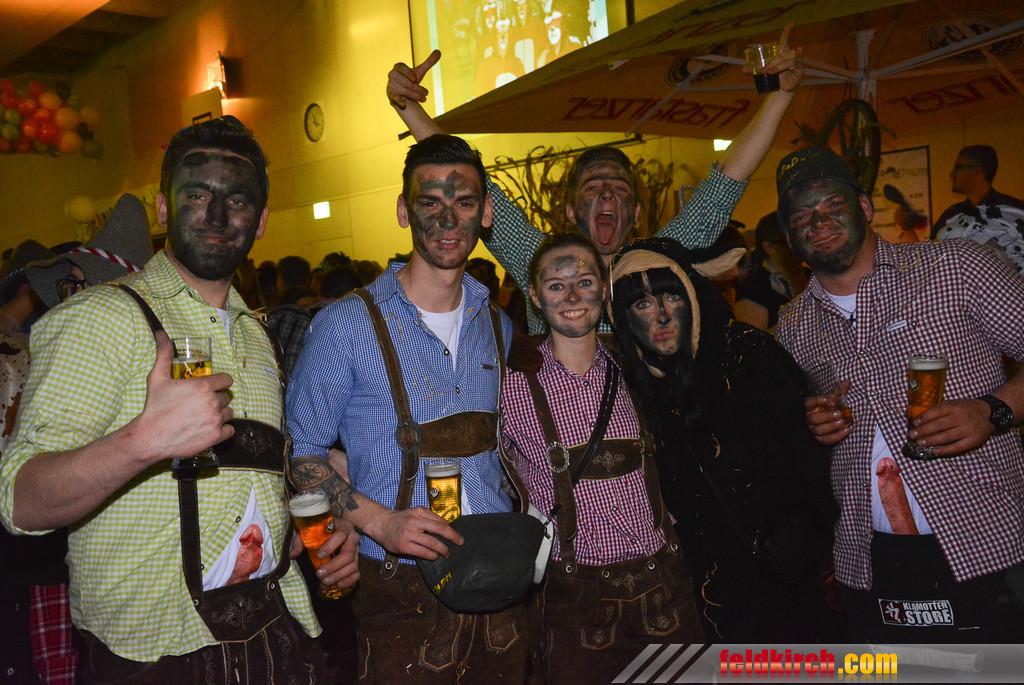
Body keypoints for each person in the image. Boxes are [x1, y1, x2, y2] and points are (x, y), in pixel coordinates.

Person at [0, 116, 358, 682]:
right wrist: (141, 443)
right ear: (164, 209)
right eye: (196, 195)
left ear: (261, 221)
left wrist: (305, 523)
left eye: (236, 200)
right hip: (155, 657)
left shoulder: (256, 335)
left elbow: (246, 485)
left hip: (276, 639)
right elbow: (19, 500)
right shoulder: (100, 318)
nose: (216, 216)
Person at [286, 133, 527, 683]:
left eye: (464, 202)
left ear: (486, 212)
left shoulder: (497, 324)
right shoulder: (346, 324)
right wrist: (379, 522)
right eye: (430, 203)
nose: (447, 220)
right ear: (403, 211)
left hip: (500, 582)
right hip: (400, 591)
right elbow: (300, 453)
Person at [387, 23, 804, 333]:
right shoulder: (538, 259)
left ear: (635, 212)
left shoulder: (661, 258)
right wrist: (408, 107)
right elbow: (470, 179)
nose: (606, 194)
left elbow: (729, 177)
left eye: (619, 189)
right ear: (571, 211)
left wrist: (780, 96)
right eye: (592, 188)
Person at [774, 145, 1024, 643]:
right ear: (788, 235)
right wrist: (813, 425)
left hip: (988, 542)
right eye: (801, 215)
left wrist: (992, 411)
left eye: (833, 205)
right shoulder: (792, 325)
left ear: (865, 207)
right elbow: (799, 446)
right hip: (869, 561)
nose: (818, 222)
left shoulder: (957, 267)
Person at [607, 236, 836, 642]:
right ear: (623, 318)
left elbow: (812, 464)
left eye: (671, 297)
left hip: (786, 582)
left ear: (692, 298)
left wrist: (808, 547)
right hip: (703, 594)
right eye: (642, 304)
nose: (662, 316)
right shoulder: (633, 389)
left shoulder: (749, 355)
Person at [500, 232, 702, 682]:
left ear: (605, 289)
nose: (572, 297)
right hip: (574, 597)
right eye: (556, 285)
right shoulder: (509, 387)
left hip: (664, 582)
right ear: (535, 295)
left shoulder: (640, 366)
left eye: (585, 282)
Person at [931, 144, 1024, 275]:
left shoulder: (1015, 212)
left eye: (958, 168)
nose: (951, 174)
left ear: (976, 171)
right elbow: (932, 258)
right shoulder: (952, 215)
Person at [734, 211, 809, 332]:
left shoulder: (812, 276)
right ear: (769, 247)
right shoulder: (755, 288)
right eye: (791, 242)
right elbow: (753, 340)